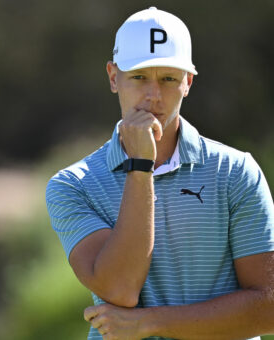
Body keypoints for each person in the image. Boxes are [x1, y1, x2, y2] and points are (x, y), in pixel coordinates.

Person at [46, 7, 274, 340]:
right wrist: (140, 166)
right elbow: (120, 289)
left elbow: (268, 308)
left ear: (188, 83)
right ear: (113, 77)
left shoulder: (236, 172)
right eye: (139, 77)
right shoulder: (73, 185)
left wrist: (150, 323)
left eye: (168, 78)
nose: (154, 96)